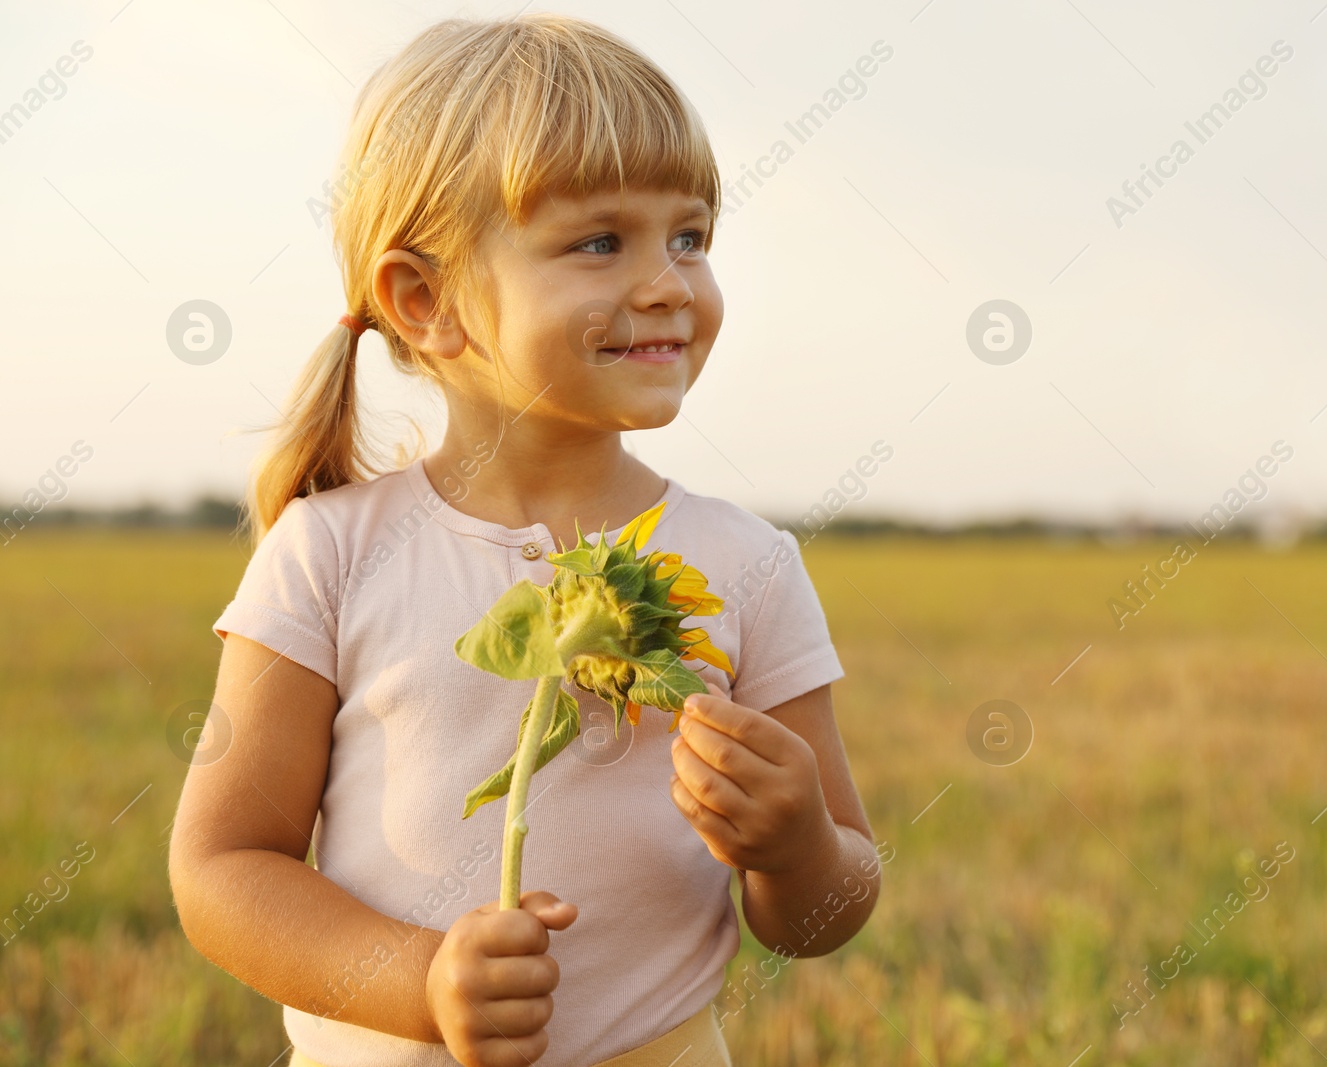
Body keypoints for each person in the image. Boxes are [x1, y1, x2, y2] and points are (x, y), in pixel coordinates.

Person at [166, 14, 881, 1067]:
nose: (669, 282)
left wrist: (798, 846)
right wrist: (418, 979)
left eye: (689, 236)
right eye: (601, 241)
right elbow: (224, 866)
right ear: (427, 301)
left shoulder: (749, 564)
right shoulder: (328, 553)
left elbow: (824, 912)